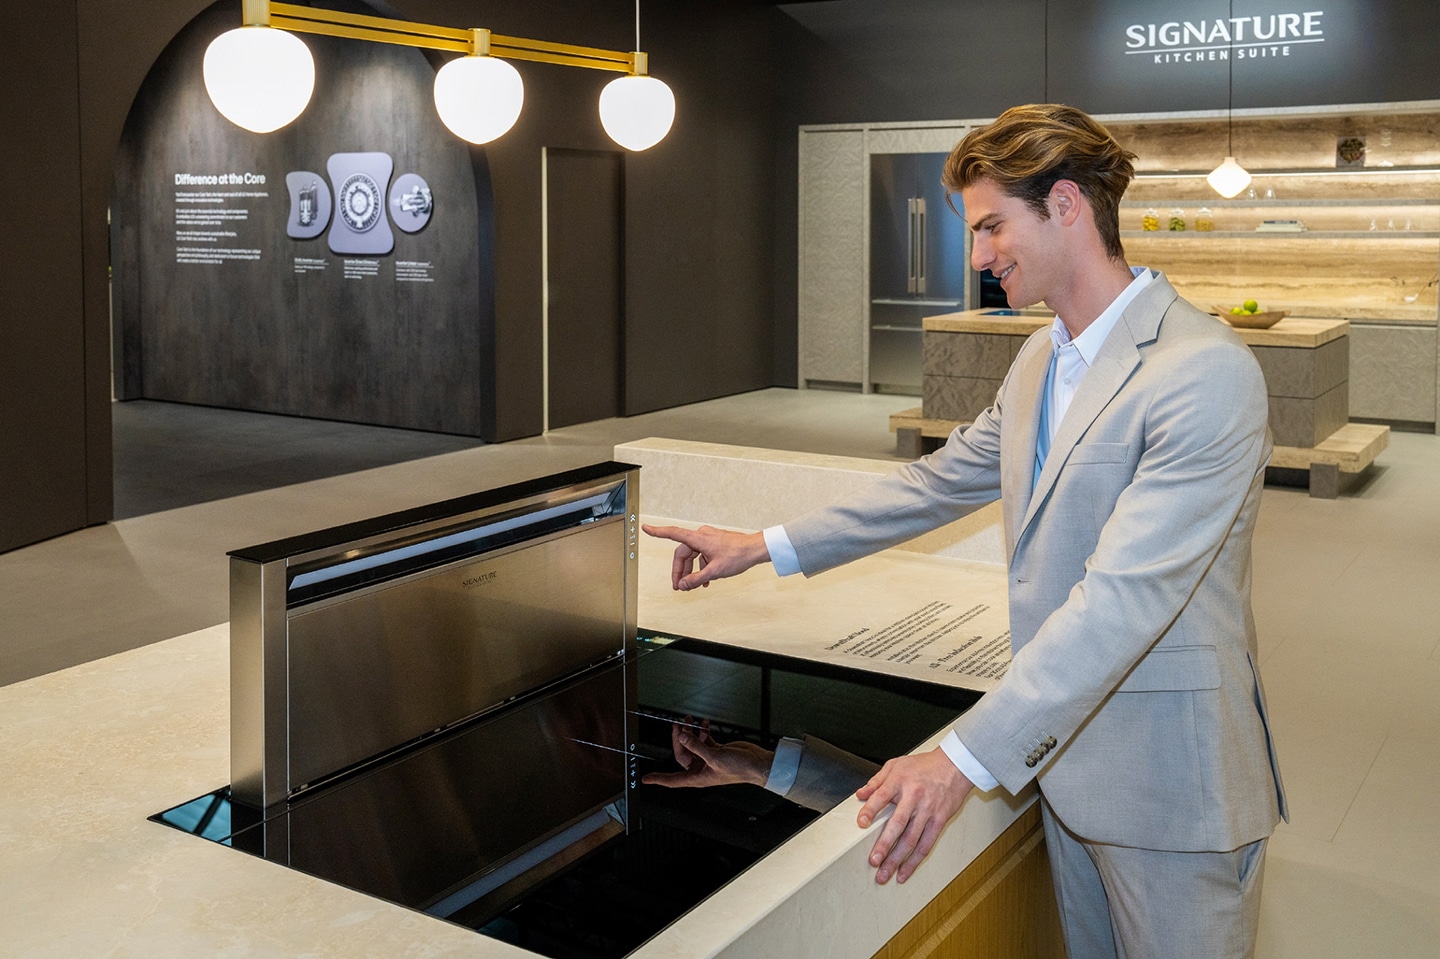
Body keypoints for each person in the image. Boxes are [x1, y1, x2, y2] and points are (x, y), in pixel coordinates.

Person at [643, 103, 1287, 959]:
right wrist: (761, 544)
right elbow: (932, 484)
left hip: (1174, 791)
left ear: (1065, 205)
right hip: (1069, 769)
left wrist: (959, 757)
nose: (979, 256)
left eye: (990, 227)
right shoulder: (1039, 361)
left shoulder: (1203, 373)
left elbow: (1124, 603)